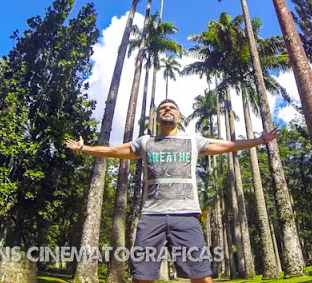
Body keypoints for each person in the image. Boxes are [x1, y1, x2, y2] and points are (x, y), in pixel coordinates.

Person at [66, 98, 279, 283]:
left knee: (202, 276)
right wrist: (84, 148)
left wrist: (260, 140)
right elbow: (114, 150)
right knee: (141, 276)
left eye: (172, 108)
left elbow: (227, 145)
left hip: (186, 216)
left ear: (180, 116)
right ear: (157, 118)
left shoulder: (192, 140)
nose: (167, 109)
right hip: (151, 217)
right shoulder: (146, 142)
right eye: (163, 108)